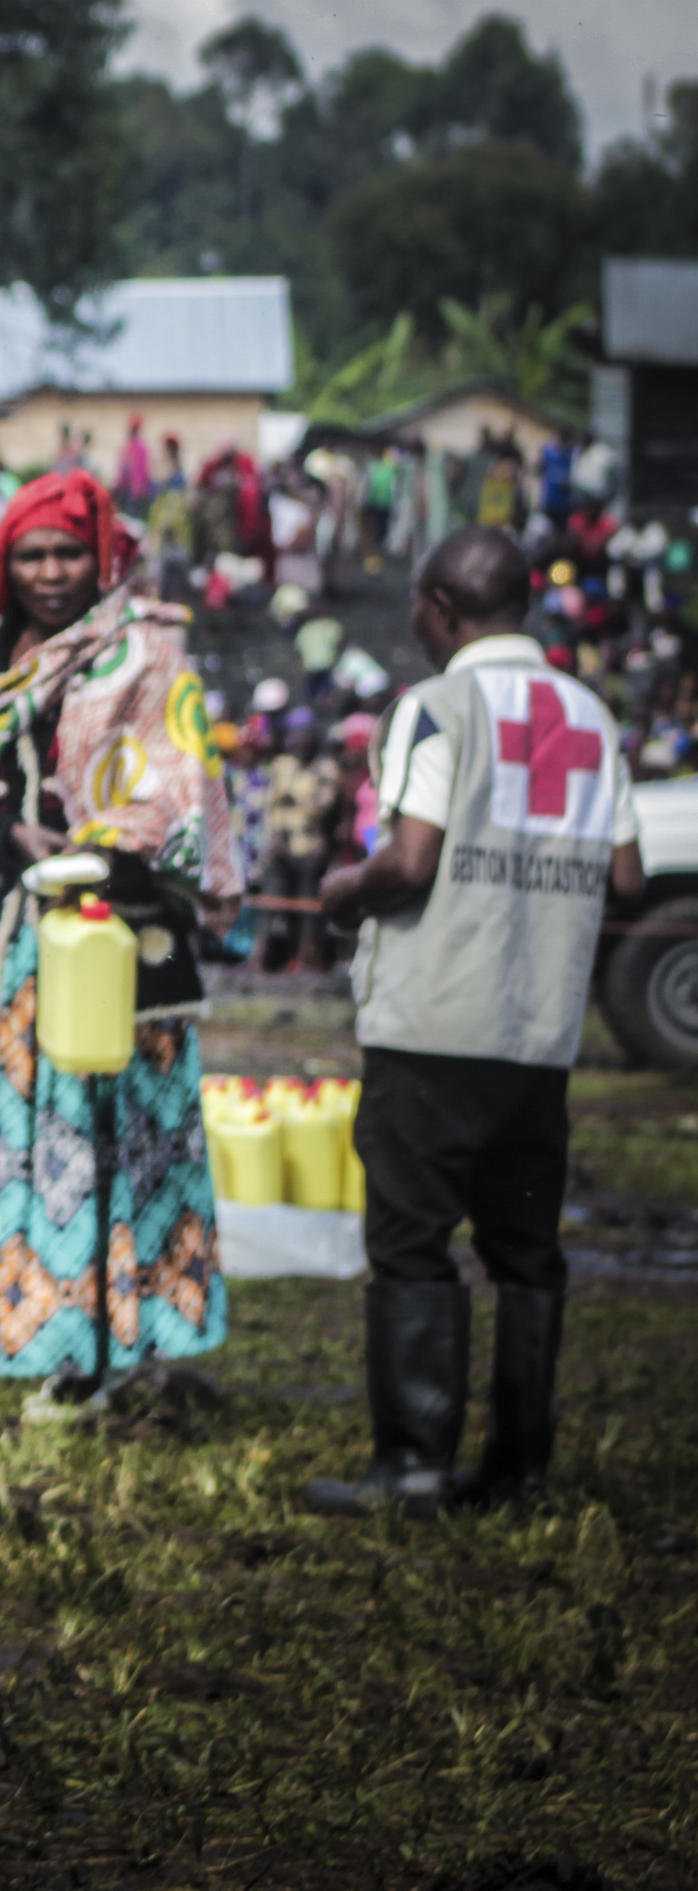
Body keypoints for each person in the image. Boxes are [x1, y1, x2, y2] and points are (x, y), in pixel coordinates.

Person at [307, 529, 645, 1517]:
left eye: (417, 605)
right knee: (526, 1248)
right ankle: (519, 1471)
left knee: (413, 1238)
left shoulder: (436, 706)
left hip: (434, 1024)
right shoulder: (591, 714)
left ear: (441, 607)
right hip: (541, 1029)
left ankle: (412, 1463)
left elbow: (408, 861)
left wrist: (340, 888)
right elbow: (625, 875)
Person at [0, 471, 244, 1394]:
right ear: (4, 563)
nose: (51, 571)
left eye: (67, 552)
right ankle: (61, 1347)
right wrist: (5, 835)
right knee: (42, 1139)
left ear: (101, 556)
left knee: (141, 1131)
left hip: (131, 936)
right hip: (28, 937)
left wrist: (104, 849)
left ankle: (151, 1347)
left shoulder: (142, 653)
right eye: (31, 554)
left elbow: (180, 790)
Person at [256, 711, 340, 972]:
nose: (300, 741)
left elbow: (322, 806)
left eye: (306, 736)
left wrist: (294, 800)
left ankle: (306, 958)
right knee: (270, 902)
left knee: (308, 908)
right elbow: (270, 804)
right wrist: (275, 835)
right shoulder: (281, 766)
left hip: (310, 850)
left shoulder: (326, 769)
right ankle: (259, 958)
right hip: (280, 849)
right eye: (296, 736)